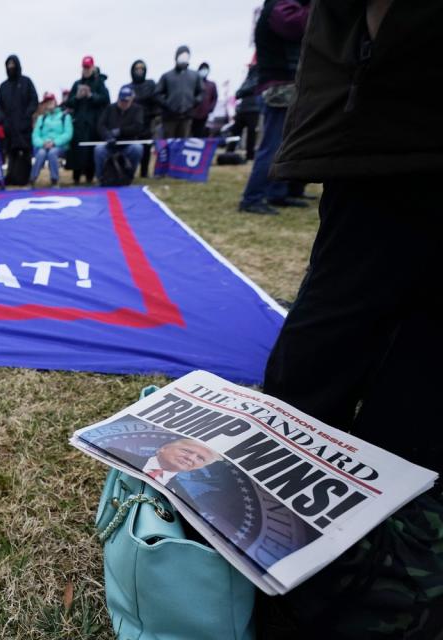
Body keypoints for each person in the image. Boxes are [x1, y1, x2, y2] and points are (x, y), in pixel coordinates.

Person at [260, 3, 443, 637]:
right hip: (389, 117)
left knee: (422, 379)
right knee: (327, 349)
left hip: (391, 101)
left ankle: (383, 575)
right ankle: (275, 562)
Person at [238, 1, 310, 215]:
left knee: (285, 145)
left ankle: (277, 193)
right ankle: (252, 198)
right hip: (278, 86)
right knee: (272, 146)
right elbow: (296, 25)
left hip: (284, 84)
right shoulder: (280, 7)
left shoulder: (282, 6)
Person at [65, 55, 110, 185]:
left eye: (88, 67)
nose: (86, 70)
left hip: (94, 123)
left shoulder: (99, 83)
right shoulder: (77, 83)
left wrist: (91, 96)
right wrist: (77, 97)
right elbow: (69, 103)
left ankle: (90, 176)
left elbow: (106, 100)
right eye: (84, 67)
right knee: (78, 151)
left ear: (93, 67)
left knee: (91, 150)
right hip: (79, 124)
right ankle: (76, 177)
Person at [0, 54, 39, 186]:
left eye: (13, 65)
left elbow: (34, 100)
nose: (11, 67)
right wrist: (3, 120)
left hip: (24, 126)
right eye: (8, 65)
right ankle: (12, 176)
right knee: (12, 153)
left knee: (24, 153)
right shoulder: (3, 86)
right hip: (9, 126)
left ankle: (24, 178)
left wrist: (27, 116)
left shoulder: (26, 82)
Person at [95, 85, 145, 185]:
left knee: (137, 148)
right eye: (121, 100)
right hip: (110, 144)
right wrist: (107, 135)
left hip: (128, 143)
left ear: (131, 99)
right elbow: (100, 125)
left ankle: (129, 176)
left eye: (126, 101)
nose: (123, 103)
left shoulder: (137, 110)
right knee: (99, 149)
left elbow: (138, 127)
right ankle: (101, 177)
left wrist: (121, 131)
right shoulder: (110, 108)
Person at [155, 46, 202, 139]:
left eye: (186, 57)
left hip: (187, 117)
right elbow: (157, 94)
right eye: (181, 57)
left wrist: (193, 102)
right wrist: (167, 104)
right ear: (176, 57)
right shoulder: (167, 76)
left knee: (183, 143)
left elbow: (201, 92)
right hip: (169, 117)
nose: (184, 59)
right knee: (169, 143)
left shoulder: (195, 75)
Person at [29, 92, 73, 187]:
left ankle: (54, 179)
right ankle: (32, 179)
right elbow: (35, 135)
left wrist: (54, 142)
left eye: (50, 100)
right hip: (44, 145)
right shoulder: (42, 118)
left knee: (52, 153)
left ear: (55, 101)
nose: (49, 103)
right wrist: (42, 143)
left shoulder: (65, 116)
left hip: (59, 146)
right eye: (46, 101)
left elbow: (68, 134)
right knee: (41, 153)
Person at [142, 438, 221, 486]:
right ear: (164, 448)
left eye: (200, 458)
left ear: (201, 466)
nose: (191, 458)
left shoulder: (183, 498)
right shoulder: (129, 459)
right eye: (186, 451)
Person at [129, 59, 159, 178]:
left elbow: (155, 100)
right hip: (132, 122)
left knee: (146, 147)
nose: (139, 71)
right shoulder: (129, 87)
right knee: (133, 147)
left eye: (142, 69)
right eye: (137, 69)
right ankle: (130, 171)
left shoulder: (150, 84)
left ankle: (144, 172)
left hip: (147, 120)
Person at [228, 63, 260, 161]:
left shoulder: (258, 78)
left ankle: (250, 155)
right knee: (235, 131)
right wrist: (243, 92)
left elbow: (250, 88)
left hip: (253, 109)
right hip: (242, 109)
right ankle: (230, 152)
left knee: (251, 133)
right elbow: (238, 93)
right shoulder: (247, 79)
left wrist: (243, 92)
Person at [190, 62, 218, 137]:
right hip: (192, 114)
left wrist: (210, 108)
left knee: (201, 133)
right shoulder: (193, 83)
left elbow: (215, 98)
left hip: (205, 115)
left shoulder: (211, 85)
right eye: (202, 69)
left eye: (206, 69)